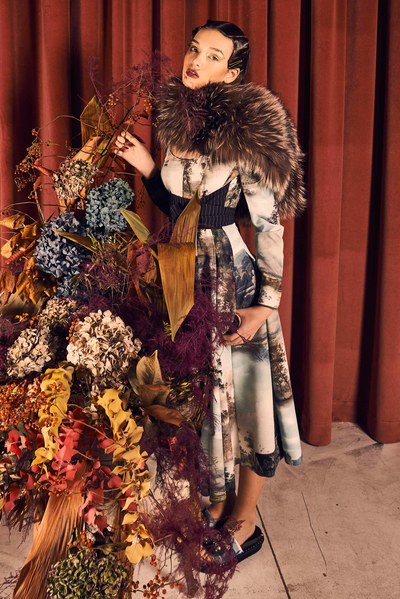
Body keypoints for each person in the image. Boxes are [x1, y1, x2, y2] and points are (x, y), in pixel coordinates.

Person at [114, 19, 305, 565]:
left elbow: (269, 225)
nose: (195, 60)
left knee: (247, 399)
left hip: (229, 279)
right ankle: (217, 507)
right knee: (205, 399)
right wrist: (148, 167)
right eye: (194, 49)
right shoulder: (178, 120)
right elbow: (179, 209)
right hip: (179, 273)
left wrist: (264, 304)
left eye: (213, 56)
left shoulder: (247, 132)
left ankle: (244, 521)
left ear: (233, 73)